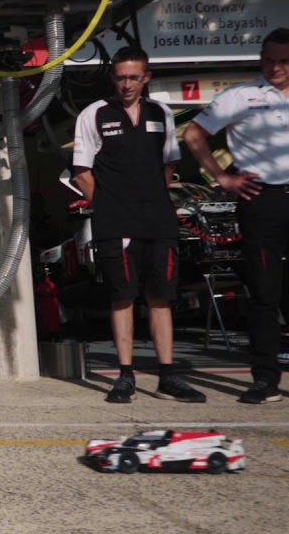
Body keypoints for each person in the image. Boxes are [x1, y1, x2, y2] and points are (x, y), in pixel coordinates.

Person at [72, 47, 206, 405]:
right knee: (123, 296)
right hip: (115, 221)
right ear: (112, 78)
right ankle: (125, 376)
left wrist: (152, 200)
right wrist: (109, 206)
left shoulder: (161, 112)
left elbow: (169, 164)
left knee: (162, 296)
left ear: (146, 78)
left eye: (134, 77)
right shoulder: (94, 113)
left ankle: (168, 375)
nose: (127, 84)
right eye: (120, 77)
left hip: (158, 218)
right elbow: (82, 172)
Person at [184, 28, 289, 405]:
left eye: (284, 61)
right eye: (269, 60)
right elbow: (193, 134)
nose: (275, 67)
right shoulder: (240, 96)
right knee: (263, 292)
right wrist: (222, 176)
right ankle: (265, 379)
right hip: (261, 198)